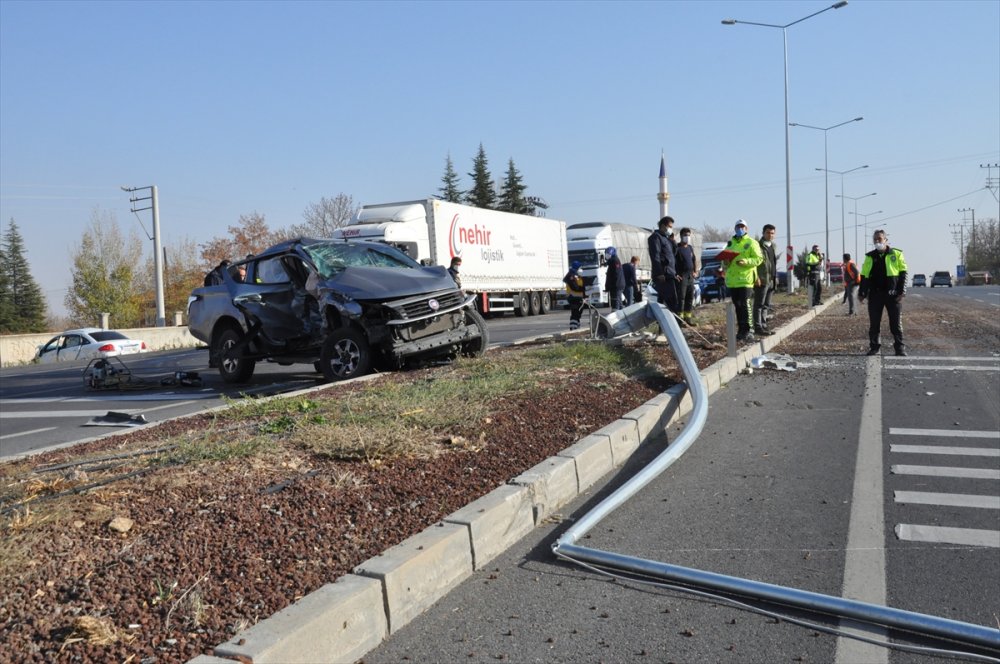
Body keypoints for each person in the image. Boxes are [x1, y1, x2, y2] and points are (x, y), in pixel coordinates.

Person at [858, 230, 908, 356]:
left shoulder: (896, 254)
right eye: (875, 239)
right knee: (874, 323)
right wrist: (862, 292)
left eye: (879, 239)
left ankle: (900, 347)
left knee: (896, 323)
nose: (877, 241)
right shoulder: (870, 256)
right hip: (875, 295)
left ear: (885, 240)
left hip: (893, 294)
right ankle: (874, 347)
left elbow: (903, 273)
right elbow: (864, 276)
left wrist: (902, 291)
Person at [723, 219, 764, 342]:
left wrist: (746, 261)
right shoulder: (730, 243)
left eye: (742, 227)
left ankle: (749, 330)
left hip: (746, 279)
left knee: (746, 305)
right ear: (735, 229)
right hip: (733, 281)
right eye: (738, 227)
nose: (740, 229)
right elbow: (724, 262)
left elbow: (759, 259)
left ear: (746, 229)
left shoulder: (752, 242)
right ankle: (741, 331)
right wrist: (725, 262)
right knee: (738, 306)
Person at [648, 216, 680, 313]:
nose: (671, 229)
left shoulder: (666, 239)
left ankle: (663, 322)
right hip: (663, 275)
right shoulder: (655, 238)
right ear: (663, 226)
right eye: (669, 226)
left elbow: (672, 256)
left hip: (670, 274)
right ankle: (673, 321)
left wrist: (673, 241)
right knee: (671, 302)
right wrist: (659, 273)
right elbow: (655, 256)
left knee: (663, 302)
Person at [753, 224, 778, 336]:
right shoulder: (757, 246)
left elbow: (773, 263)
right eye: (768, 233)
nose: (770, 235)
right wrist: (756, 277)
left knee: (766, 305)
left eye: (772, 233)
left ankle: (763, 325)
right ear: (763, 233)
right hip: (762, 279)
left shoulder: (773, 246)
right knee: (759, 304)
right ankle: (758, 327)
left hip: (771, 279)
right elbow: (754, 264)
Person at [675, 228, 698, 326]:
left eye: (689, 235)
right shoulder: (677, 248)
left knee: (690, 298)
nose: (687, 237)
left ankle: (688, 319)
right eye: (685, 235)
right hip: (682, 276)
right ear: (681, 236)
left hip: (690, 276)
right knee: (681, 298)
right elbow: (672, 262)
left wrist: (695, 271)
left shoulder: (690, 248)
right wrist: (675, 274)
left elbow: (694, 259)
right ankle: (680, 320)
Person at [563, 261, 587, 331]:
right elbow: (575, 287)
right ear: (576, 268)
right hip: (573, 298)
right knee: (575, 314)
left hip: (578, 298)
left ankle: (577, 328)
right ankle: (573, 329)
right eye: (580, 268)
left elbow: (581, 287)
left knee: (578, 314)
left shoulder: (577, 276)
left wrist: (584, 296)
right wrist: (584, 288)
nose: (581, 269)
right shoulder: (571, 276)